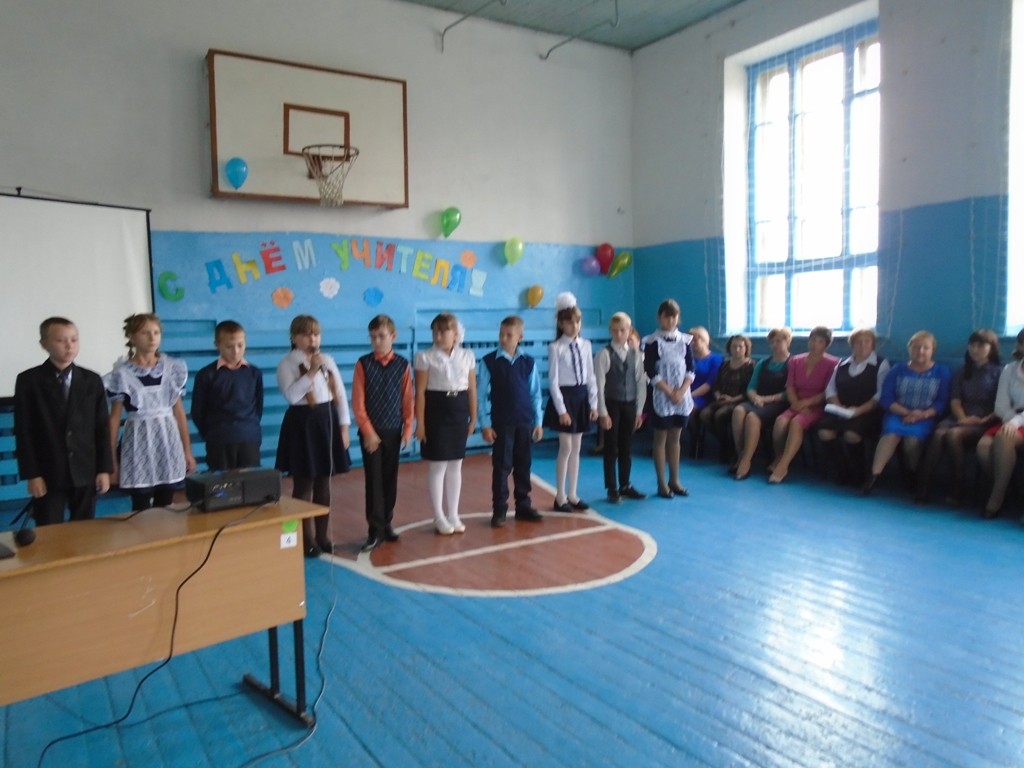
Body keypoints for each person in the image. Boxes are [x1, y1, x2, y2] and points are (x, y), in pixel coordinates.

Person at [14, 317, 113, 525]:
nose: (69, 346)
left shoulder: (91, 380)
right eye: (61, 340)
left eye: (74, 340)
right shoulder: (29, 380)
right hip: (48, 472)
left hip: (86, 471)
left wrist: (104, 469)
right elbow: (24, 431)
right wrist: (33, 475)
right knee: (49, 529)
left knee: (84, 529)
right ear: (44, 344)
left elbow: (101, 428)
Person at [275, 314, 351, 557]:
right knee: (304, 483)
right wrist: (311, 372)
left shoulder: (327, 361)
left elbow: (340, 394)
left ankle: (322, 536)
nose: (312, 339)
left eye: (316, 334)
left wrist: (344, 427)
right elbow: (291, 395)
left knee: (323, 482)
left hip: (326, 421)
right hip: (302, 424)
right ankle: (305, 538)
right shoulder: (287, 364)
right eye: (306, 335)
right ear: (294, 338)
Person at [106, 313, 196, 511]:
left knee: (166, 501)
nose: (152, 337)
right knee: (141, 502)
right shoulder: (122, 373)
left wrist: (187, 451)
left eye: (156, 332)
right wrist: (111, 460)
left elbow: (179, 413)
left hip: (167, 439)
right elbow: (114, 419)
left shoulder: (172, 368)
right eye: (145, 333)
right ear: (131, 337)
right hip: (138, 440)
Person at [915, 328, 1001, 504]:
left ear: (991, 347)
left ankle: (958, 487)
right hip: (959, 417)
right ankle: (923, 486)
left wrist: (983, 419)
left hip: (985, 420)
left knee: (954, 435)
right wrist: (962, 419)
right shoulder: (962, 371)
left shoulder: (999, 372)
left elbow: (1000, 404)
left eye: (981, 345)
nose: (975, 349)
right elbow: (955, 400)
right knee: (939, 434)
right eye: (972, 345)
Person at [351, 314, 414, 552]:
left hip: (393, 431)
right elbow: (358, 403)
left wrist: (407, 429)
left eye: (381, 336)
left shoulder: (403, 365)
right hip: (371, 435)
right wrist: (368, 432)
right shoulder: (363, 364)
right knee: (374, 482)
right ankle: (374, 530)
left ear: (393, 336)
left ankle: (386, 523)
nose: (377, 341)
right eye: (373, 337)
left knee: (390, 480)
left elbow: (407, 400)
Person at [862, 330, 952, 495]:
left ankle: (914, 475)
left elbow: (942, 402)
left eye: (925, 347)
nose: (920, 351)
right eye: (916, 347)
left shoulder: (942, 372)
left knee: (912, 440)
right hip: (898, 414)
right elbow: (886, 398)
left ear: (932, 350)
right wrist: (906, 413)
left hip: (926, 417)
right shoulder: (897, 369)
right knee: (890, 434)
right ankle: (873, 477)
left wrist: (921, 415)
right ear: (909, 348)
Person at [478, 315, 544, 527]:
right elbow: (480, 396)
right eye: (501, 334)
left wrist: (538, 421)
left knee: (523, 465)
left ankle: (523, 505)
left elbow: (535, 394)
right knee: (501, 467)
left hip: (525, 423)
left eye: (509, 335)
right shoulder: (489, 362)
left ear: (520, 337)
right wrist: (485, 424)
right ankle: (499, 508)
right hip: (502, 424)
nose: (503, 338)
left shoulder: (528, 362)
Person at [415, 312, 477, 534]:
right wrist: (420, 423)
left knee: (455, 464)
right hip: (436, 411)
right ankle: (439, 515)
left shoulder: (467, 355)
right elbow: (420, 392)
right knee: (438, 465)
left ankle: (453, 513)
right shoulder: (425, 357)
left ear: (456, 334)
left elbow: (472, 389)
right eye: (435, 332)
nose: (438, 336)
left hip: (458, 410)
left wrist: (473, 417)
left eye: (444, 331)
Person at [543, 292, 598, 511]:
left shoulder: (586, 345)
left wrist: (594, 403)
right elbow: (553, 381)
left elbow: (591, 376)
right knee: (565, 447)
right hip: (565, 399)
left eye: (577, 321)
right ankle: (560, 496)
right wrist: (561, 410)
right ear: (560, 323)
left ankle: (573, 494)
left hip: (581, 397)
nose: (574, 326)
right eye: (569, 322)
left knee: (576, 447)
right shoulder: (555, 347)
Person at [815, 328, 890, 486]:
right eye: (858, 342)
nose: (862, 345)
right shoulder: (842, 364)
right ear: (852, 345)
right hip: (842, 410)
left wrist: (858, 411)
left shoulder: (881, 364)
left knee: (851, 434)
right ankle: (842, 471)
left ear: (873, 344)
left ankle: (859, 474)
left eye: (867, 341)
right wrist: (838, 406)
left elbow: (880, 395)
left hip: (868, 412)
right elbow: (830, 390)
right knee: (824, 431)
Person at [767, 326, 839, 484]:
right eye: (812, 340)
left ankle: (783, 466)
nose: (815, 344)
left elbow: (827, 392)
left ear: (826, 344)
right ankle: (780, 456)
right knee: (780, 422)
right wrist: (796, 403)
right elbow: (790, 386)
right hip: (796, 403)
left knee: (796, 423)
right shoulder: (795, 361)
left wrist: (806, 403)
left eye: (820, 341)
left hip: (816, 406)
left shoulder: (833, 363)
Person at [189, 320, 263, 471]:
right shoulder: (206, 374)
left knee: (248, 480)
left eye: (240, 345)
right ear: (217, 344)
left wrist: (250, 426)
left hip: (248, 436)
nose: (235, 351)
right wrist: (212, 433)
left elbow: (258, 406)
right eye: (229, 346)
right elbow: (197, 411)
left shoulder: (254, 373)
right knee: (222, 482)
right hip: (219, 438)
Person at [594, 312, 648, 504]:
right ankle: (612, 487)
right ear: (610, 331)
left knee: (626, 445)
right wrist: (602, 412)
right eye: (615, 331)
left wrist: (639, 411)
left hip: (630, 405)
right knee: (611, 446)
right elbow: (598, 385)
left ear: (629, 331)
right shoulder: (604, 354)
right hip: (612, 404)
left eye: (622, 330)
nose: (618, 334)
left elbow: (641, 383)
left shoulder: (636, 354)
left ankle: (625, 484)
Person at [643, 299, 693, 499]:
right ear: (659, 317)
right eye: (667, 316)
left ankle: (675, 479)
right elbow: (650, 371)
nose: (671, 320)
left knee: (675, 438)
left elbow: (690, 369)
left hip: (681, 396)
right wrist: (669, 391)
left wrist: (681, 391)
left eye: (674, 317)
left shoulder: (685, 340)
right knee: (660, 439)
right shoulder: (652, 341)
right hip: (662, 395)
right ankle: (661, 483)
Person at [732, 327, 792, 480]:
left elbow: (789, 393)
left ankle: (746, 461)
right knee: (738, 411)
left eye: (778, 341)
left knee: (752, 417)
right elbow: (751, 388)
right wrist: (755, 398)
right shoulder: (763, 363)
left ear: (787, 342)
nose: (775, 345)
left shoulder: (793, 363)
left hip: (779, 403)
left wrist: (767, 399)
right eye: (772, 342)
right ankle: (740, 454)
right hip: (758, 401)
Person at [977, 329, 1024, 518]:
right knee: (983, 447)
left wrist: (1015, 422)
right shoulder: (1010, 369)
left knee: (1004, 438)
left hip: (1016, 422)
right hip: (1009, 418)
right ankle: (1011, 489)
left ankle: (996, 498)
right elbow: (1000, 406)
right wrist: (1011, 420)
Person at [698, 334, 753, 465]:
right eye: (734, 346)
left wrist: (732, 399)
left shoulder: (750, 366)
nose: (737, 349)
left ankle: (729, 448)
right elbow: (716, 384)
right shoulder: (725, 364)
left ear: (746, 348)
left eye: (740, 346)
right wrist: (717, 394)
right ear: (729, 348)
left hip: (739, 401)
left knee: (720, 415)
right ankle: (726, 441)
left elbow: (749, 390)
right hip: (721, 399)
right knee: (704, 414)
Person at [685, 326, 723, 459]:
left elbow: (709, 384)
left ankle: (696, 442)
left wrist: (687, 396)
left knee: (689, 408)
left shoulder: (716, 359)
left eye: (695, 340)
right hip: (686, 393)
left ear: (704, 340)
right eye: (690, 340)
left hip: (704, 395)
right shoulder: (687, 358)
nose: (692, 343)